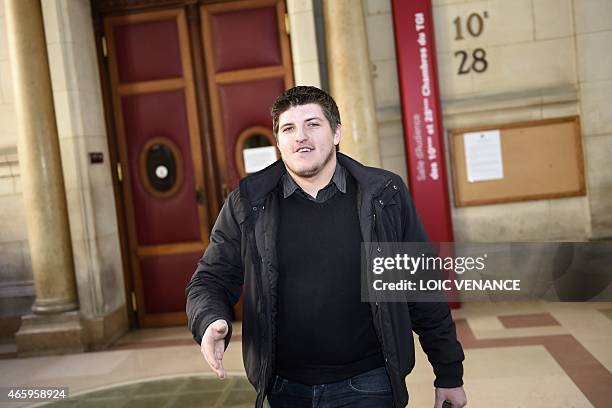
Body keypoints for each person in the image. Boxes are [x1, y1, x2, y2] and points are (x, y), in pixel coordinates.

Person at [186, 86, 467, 408]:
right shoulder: (248, 203)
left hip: (371, 382)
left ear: (336, 133)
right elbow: (211, 279)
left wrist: (448, 373)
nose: (300, 137)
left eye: (313, 125)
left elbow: (421, 287)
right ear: (278, 141)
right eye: (288, 128)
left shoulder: (384, 196)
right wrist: (209, 320)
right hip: (285, 387)